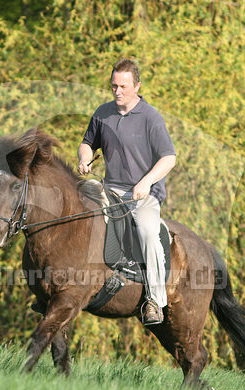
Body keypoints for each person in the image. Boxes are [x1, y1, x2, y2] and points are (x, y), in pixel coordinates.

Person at [77, 59, 176, 325]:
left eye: (123, 86)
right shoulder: (103, 113)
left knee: (146, 231)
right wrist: (84, 158)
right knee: (74, 203)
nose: (117, 91)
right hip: (110, 190)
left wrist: (146, 183)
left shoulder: (151, 118)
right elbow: (87, 143)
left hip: (143, 195)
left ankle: (154, 300)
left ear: (137, 86)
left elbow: (169, 158)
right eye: (113, 86)